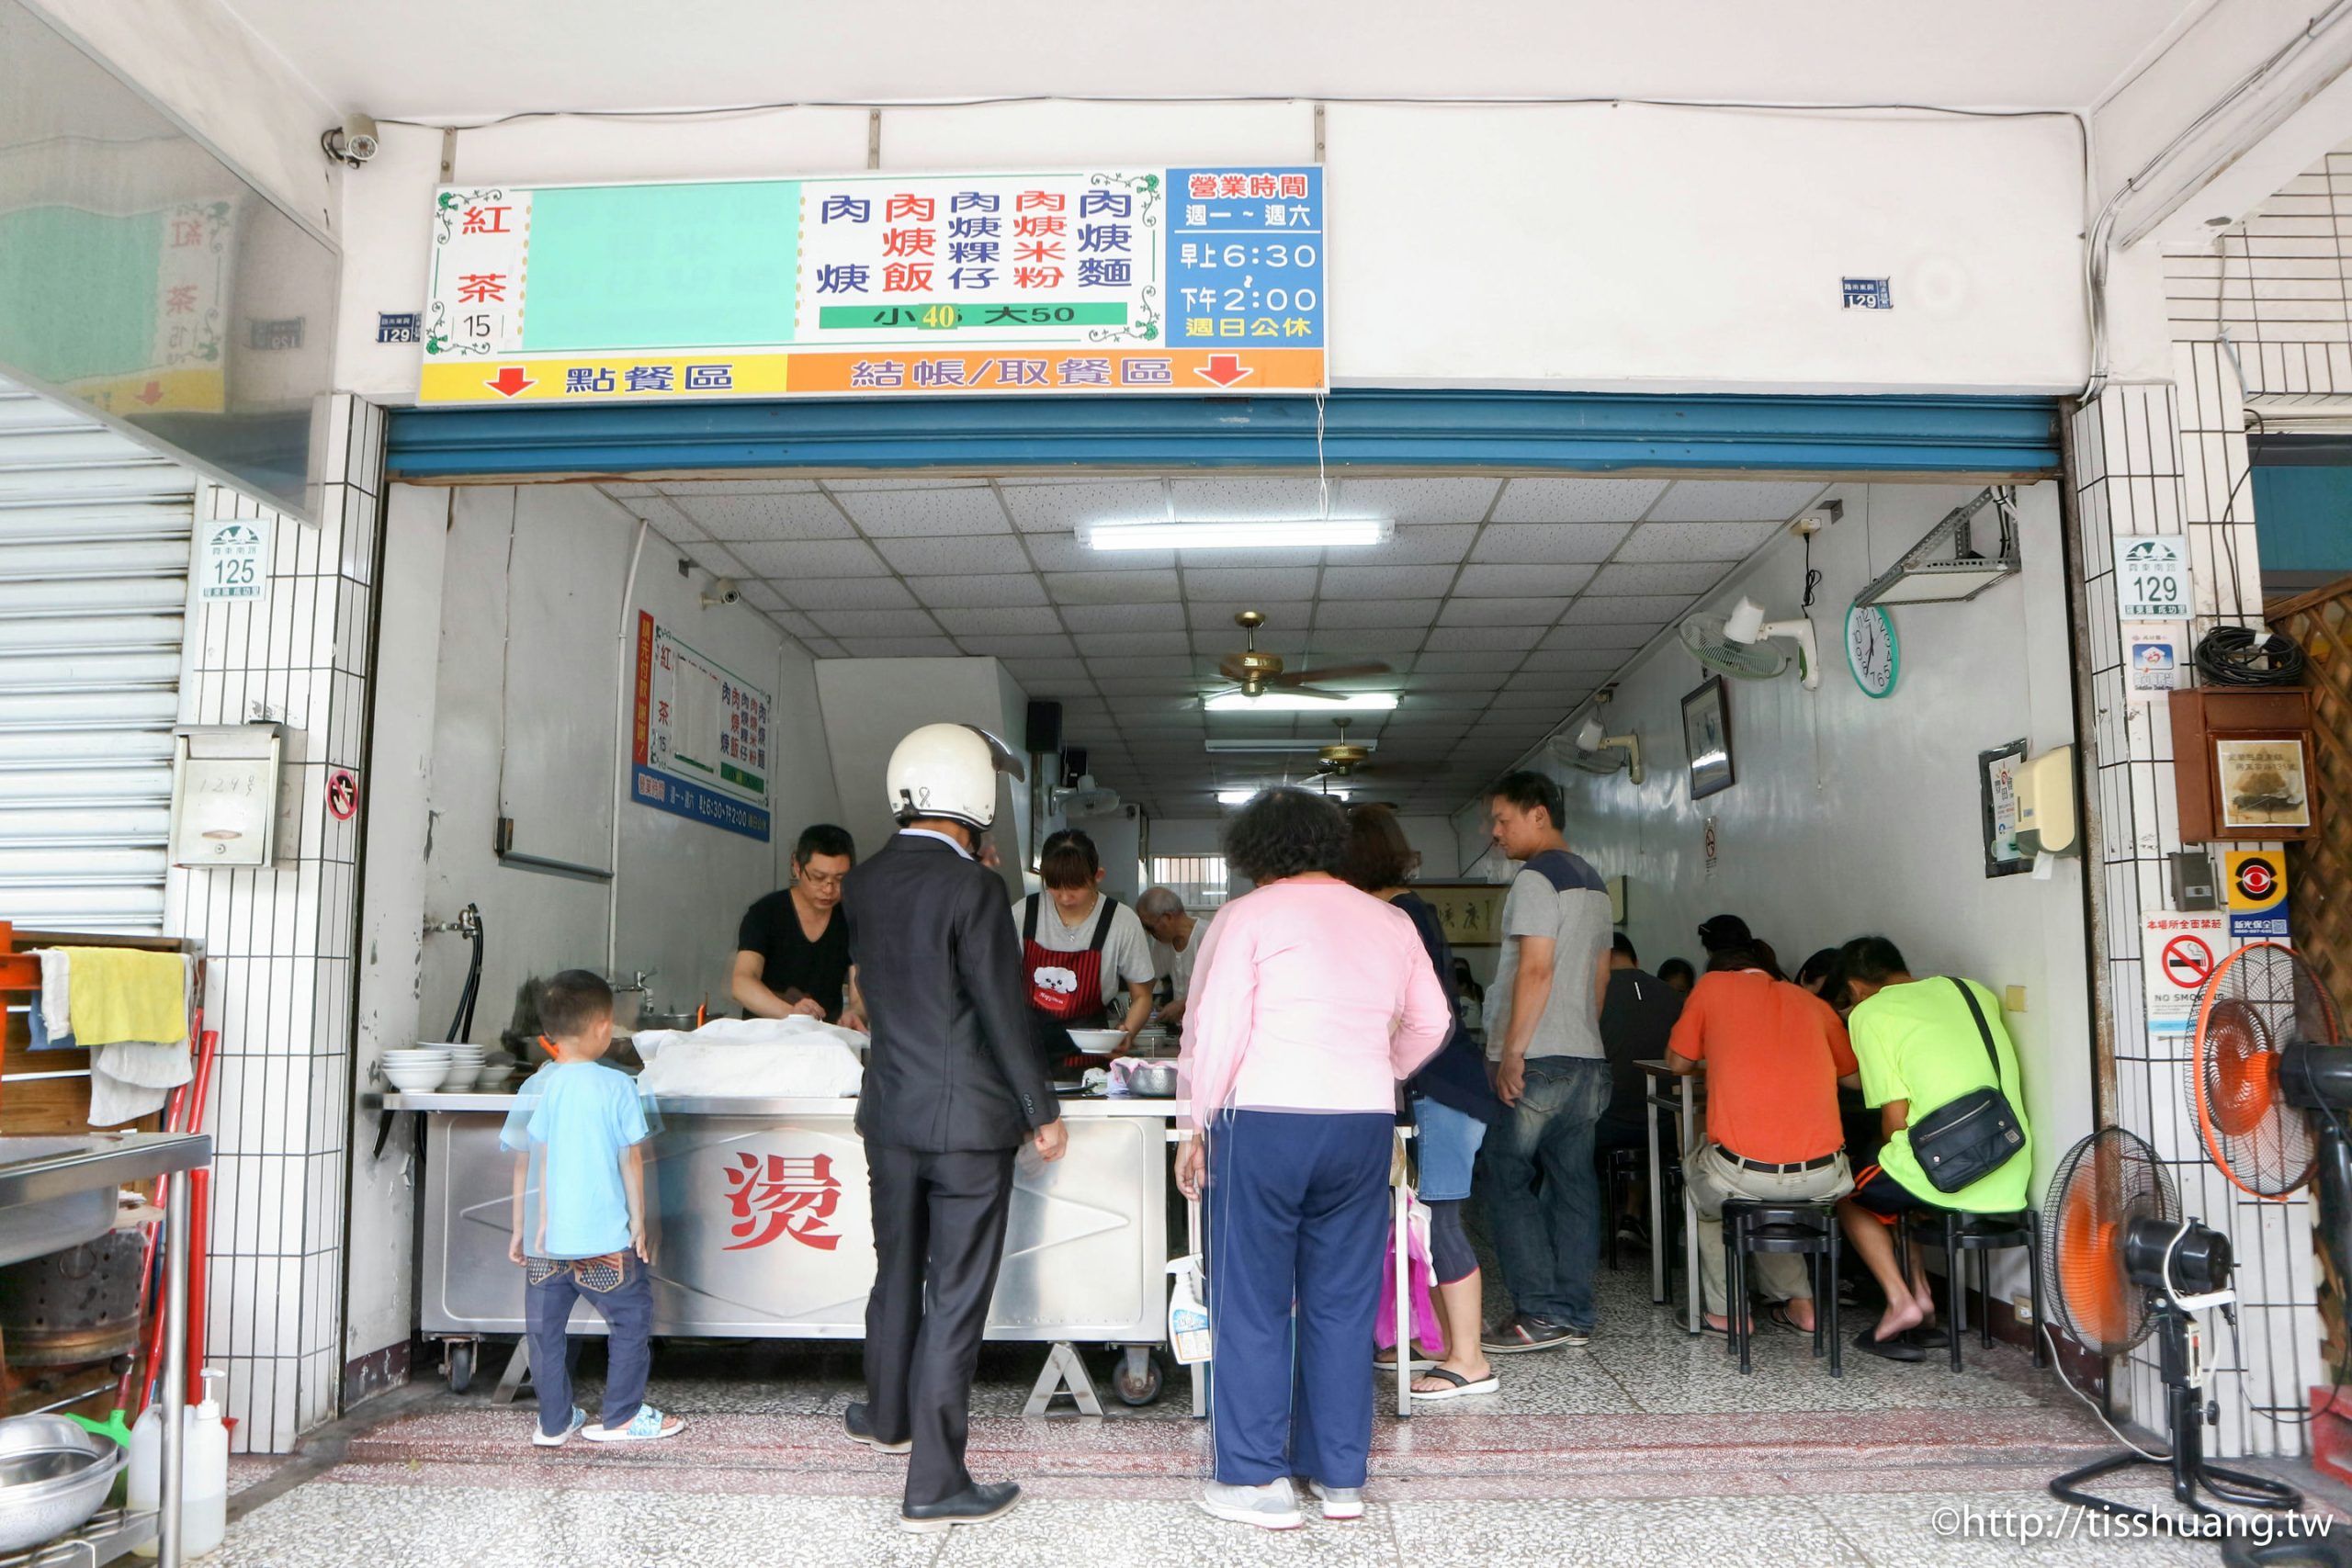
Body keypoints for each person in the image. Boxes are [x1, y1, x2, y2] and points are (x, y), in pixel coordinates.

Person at [1173, 790, 1450, 1529]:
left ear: (1254, 851)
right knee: (1342, 1301)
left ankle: (1256, 1480)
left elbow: (1218, 1026)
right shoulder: (1388, 919)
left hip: (1264, 1121)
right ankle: (1340, 1480)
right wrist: (1375, 1069)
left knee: (1254, 1299)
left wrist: (1196, 1122)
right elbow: (1434, 1020)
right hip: (1360, 1124)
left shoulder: (1246, 916)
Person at [842, 724, 1068, 1532]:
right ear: (970, 796)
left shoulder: (862, 883)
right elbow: (1002, 1011)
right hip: (968, 1123)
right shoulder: (974, 890)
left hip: (889, 1115)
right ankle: (936, 1481)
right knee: (956, 1295)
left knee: (897, 1267)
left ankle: (887, 1416)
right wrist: (1042, 1110)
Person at [1336, 805, 1504, 1402]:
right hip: (1432, 1088)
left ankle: (1470, 1358)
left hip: (1443, 1089)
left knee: (1439, 1220)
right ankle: (1421, 1338)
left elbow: (1409, 1011)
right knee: (1412, 1219)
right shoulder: (1401, 910)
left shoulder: (1401, 912)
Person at [502, 969, 683, 1447]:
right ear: (604, 1027)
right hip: (606, 1242)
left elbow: (524, 1165)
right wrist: (640, 1223)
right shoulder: (619, 1087)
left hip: (546, 1243)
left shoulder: (535, 1089)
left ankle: (554, 1423)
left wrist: (519, 1228)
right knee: (628, 1322)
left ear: (547, 1036)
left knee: (545, 1333)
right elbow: (634, 1161)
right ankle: (621, 1415)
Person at [1832, 936, 2034, 1359]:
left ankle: (1901, 1301)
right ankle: (1922, 1298)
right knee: (1893, 1178)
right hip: (2010, 1161)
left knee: (1846, 1190)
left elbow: (1895, 1122)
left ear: (1853, 988)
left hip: (1948, 1172)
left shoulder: (1870, 1013)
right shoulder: (1970, 990)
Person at [1476, 771, 1614, 1354]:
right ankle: (1574, 1314)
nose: (1497, 832)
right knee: (1574, 1184)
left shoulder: (1536, 877)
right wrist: (1583, 1033)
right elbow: (1600, 974)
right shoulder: (1594, 880)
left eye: (1504, 819)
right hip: (1586, 1057)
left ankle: (1539, 1311)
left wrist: (1513, 1052)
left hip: (1539, 1058)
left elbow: (1536, 968)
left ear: (1540, 815)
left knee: (1504, 1178)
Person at [1666, 946, 1859, 1334]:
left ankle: (1728, 1312)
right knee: (1772, 1195)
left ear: (1725, 970)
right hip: (1826, 1177)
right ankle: (1800, 1304)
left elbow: (1677, 1063)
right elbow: (1853, 1079)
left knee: (1705, 1186)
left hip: (1744, 1175)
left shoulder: (1712, 986)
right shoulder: (1812, 1004)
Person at [1014, 829, 1156, 1055]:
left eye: (1075, 887)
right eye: (1054, 886)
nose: (1064, 897)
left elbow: (1142, 995)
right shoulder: (1023, 913)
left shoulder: (1121, 920)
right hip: (1029, 1051)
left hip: (1093, 1053)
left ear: (1097, 876)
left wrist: (1127, 1032)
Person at [1595, 933, 1684, 1243]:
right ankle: (1634, 1213)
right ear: (1637, 960)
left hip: (1604, 1123)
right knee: (1651, 1135)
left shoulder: (1590, 995)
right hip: (1668, 1124)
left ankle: (1584, 1229)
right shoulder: (1672, 996)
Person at [733, 824, 865, 1027]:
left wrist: (855, 1013)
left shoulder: (851, 920)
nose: (829, 889)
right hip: (765, 1041)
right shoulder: (765, 913)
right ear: (796, 866)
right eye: (819, 877)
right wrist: (792, 1014)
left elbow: (860, 989)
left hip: (822, 1043)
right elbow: (742, 982)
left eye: (840, 879)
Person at [1135, 886, 1211, 1031]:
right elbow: (1147, 983)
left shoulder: (1208, 936)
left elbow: (1224, 990)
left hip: (1210, 1027)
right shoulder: (1163, 944)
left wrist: (1184, 1004)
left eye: (1150, 928)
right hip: (1182, 1029)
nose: (1150, 934)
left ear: (1168, 917)